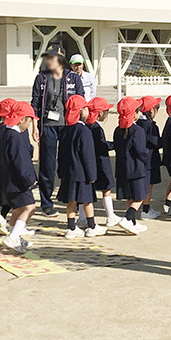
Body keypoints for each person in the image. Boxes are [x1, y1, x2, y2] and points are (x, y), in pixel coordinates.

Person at [30, 45, 85, 215]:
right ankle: (46, 203)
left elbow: (81, 100)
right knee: (47, 165)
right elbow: (35, 103)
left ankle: (71, 200)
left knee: (69, 164)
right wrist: (34, 126)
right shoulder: (41, 78)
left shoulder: (73, 78)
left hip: (69, 126)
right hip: (48, 126)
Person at [0, 101, 38, 252]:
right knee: (30, 207)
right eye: (29, 121)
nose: (30, 125)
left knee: (17, 209)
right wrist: (29, 180)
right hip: (19, 181)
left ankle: (15, 235)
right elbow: (20, 162)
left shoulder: (5, 133)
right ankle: (13, 237)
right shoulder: (16, 137)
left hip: (8, 180)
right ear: (22, 119)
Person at [56, 95, 104, 238]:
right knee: (87, 201)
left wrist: (61, 171)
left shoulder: (65, 130)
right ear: (81, 111)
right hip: (82, 173)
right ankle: (92, 226)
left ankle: (71, 228)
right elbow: (87, 155)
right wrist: (92, 175)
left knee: (71, 201)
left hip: (68, 172)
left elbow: (61, 153)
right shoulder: (84, 131)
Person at [112, 97, 150, 235]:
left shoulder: (117, 130)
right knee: (140, 196)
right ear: (134, 114)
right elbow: (141, 151)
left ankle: (132, 222)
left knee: (130, 196)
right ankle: (128, 218)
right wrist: (147, 159)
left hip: (122, 168)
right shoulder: (138, 131)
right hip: (136, 169)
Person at [86, 97, 120, 227]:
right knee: (106, 189)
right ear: (100, 113)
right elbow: (101, 145)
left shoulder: (86, 126)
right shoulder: (97, 128)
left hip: (90, 161)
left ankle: (83, 217)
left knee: (88, 192)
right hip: (101, 161)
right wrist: (114, 145)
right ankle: (110, 216)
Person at [0, 98, 17, 234]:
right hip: (14, 169)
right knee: (19, 200)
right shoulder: (14, 132)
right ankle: (14, 225)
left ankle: (3, 216)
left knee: (7, 197)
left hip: (0, 168)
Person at [136, 96, 162, 219]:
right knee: (148, 185)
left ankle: (144, 208)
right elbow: (156, 142)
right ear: (151, 111)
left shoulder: (137, 124)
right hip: (150, 159)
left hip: (140, 159)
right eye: (157, 107)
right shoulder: (150, 126)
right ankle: (145, 209)